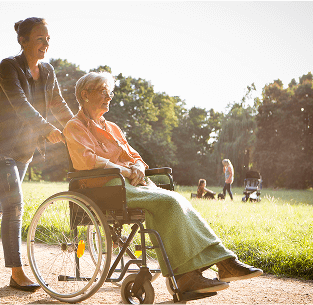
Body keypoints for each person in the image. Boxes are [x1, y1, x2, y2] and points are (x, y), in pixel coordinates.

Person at [63, 72, 262, 294]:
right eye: (103, 91)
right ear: (85, 94)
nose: (109, 97)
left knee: (175, 200)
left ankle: (215, 265)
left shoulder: (113, 128)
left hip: (128, 183)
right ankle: (198, 272)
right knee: (169, 202)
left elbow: (135, 156)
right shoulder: (74, 127)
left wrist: (137, 167)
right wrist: (128, 171)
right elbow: (88, 161)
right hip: (105, 187)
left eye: (110, 92)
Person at [0, 17, 73, 292]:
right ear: (22, 41)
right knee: (14, 205)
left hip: (23, 151)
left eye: (48, 38)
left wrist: (78, 128)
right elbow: (20, 103)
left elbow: (58, 103)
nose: (45, 43)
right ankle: (16, 272)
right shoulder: (8, 66)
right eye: (39, 38)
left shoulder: (47, 71)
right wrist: (47, 129)